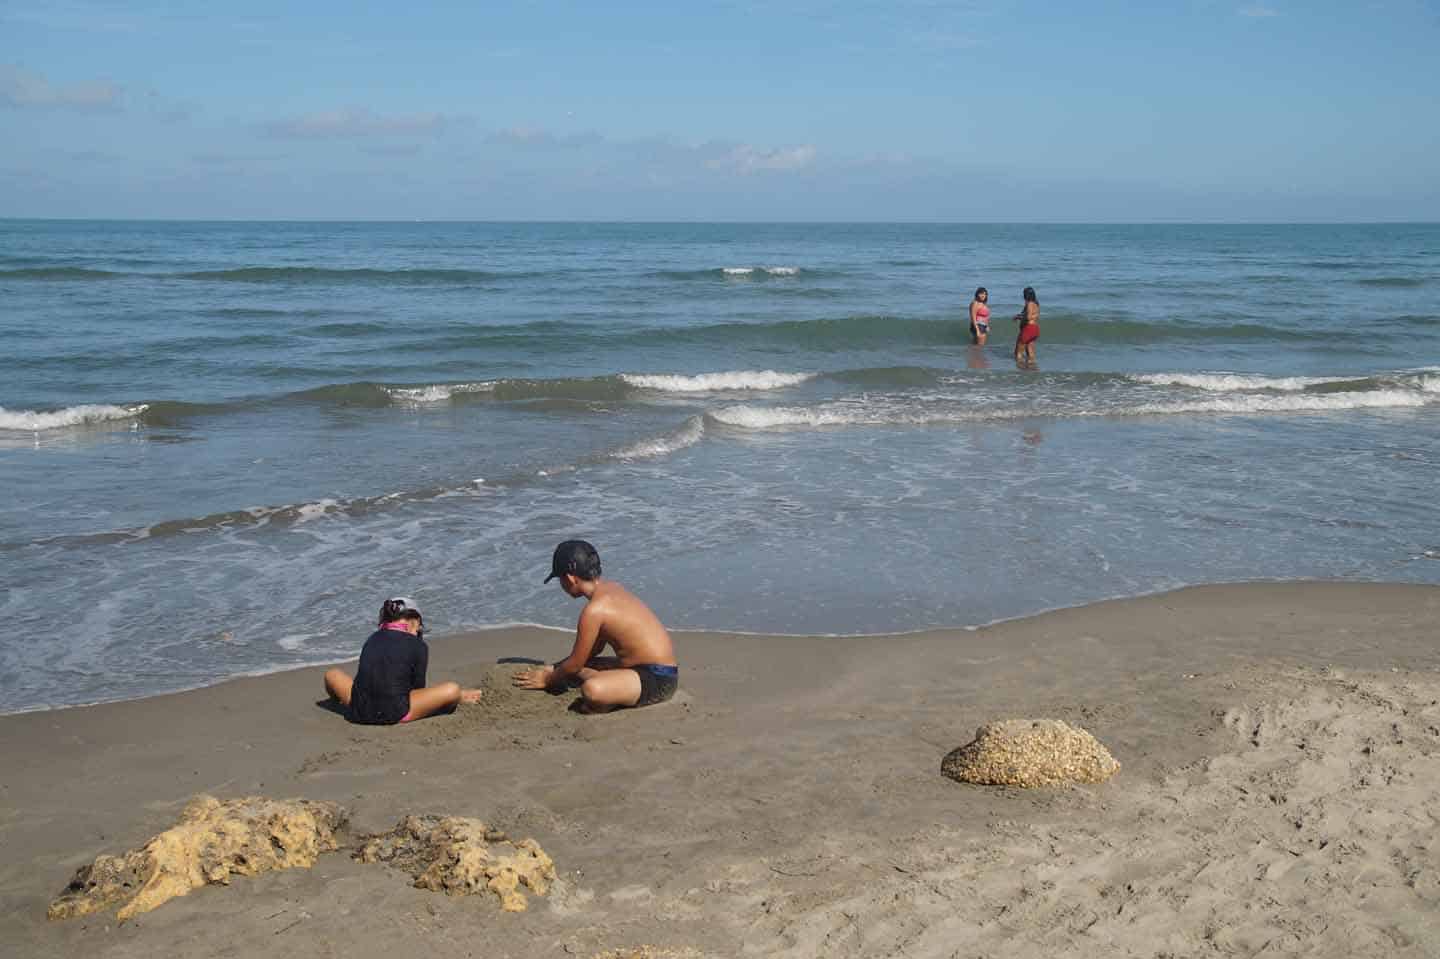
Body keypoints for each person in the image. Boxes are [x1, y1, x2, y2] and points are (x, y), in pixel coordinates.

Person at [512, 540, 679, 712]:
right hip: (660, 671)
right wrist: (555, 668)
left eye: (560, 580)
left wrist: (548, 679)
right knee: (583, 667)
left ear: (570, 579)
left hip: (657, 681)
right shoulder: (613, 588)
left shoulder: (594, 611)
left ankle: (608, 694)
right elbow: (592, 651)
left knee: (592, 690)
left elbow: (576, 664)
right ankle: (612, 683)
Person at [323, 597, 482, 724]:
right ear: (414, 622)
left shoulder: (371, 639)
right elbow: (417, 689)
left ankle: (336, 699)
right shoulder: (418, 645)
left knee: (332, 674)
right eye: (419, 628)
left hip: (357, 710)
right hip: (394, 712)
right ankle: (460, 696)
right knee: (452, 689)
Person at [1013, 286, 1040, 367]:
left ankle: (1020, 371)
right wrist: (1020, 315)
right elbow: (1033, 315)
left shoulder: (1029, 304)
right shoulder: (1036, 304)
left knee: (1018, 353)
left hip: (1028, 329)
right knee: (1030, 352)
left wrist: (1018, 317)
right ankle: (1032, 369)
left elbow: (1028, 317)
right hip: (1035, 329)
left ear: (1025, 295)